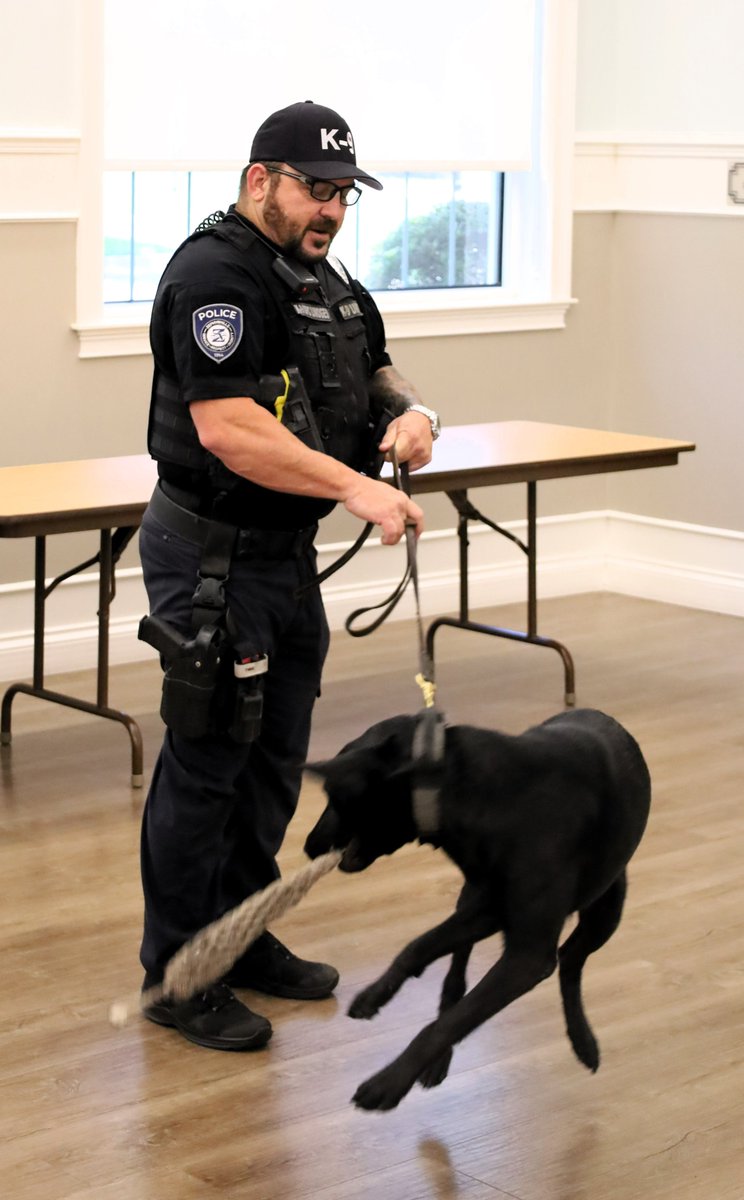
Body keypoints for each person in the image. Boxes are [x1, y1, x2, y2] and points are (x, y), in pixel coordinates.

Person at [137, 100, 442, 1051]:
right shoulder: (214, 275)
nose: (333, 211)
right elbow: (229, 428)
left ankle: (240, 934)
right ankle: (179, 973)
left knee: (273, 764)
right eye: (318, 189)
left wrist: (414, 415)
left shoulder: (324, 278)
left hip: (284, 561)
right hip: (212, 558)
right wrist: (357, 487)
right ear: (259, 179)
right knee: (208, 765)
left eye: (346, 194)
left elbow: (376, 369)